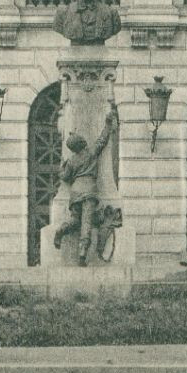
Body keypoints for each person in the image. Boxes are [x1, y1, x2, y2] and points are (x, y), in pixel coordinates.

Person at [52, 103, 118, 265]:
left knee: (76, 220)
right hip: (89, 190)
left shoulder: (72, 161)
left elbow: (65, 177)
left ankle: (61, 230)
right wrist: (108, 125)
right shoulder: (90, 154)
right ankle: (82, 254)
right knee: (86, 223)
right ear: (82, 143)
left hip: (75, 192)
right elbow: (102, 141)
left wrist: (62, 167)